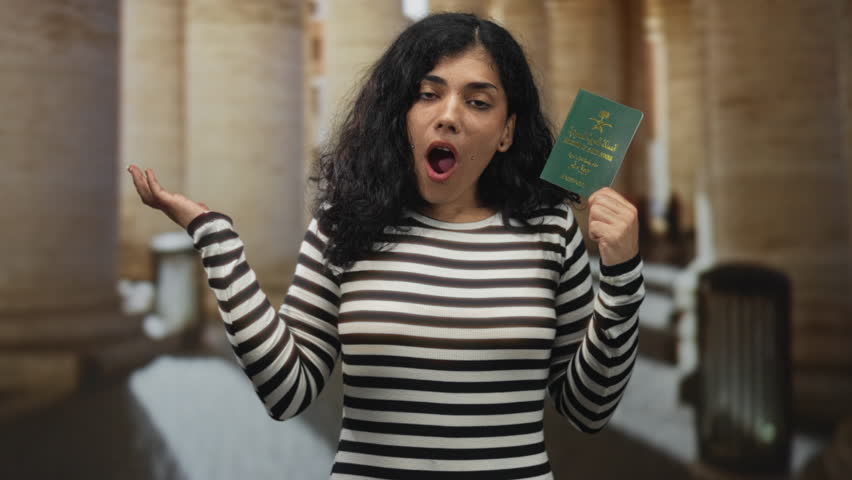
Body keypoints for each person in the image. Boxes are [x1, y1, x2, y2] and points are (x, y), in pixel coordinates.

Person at [128, 12, 644, 480]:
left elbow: (588, 408)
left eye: (478, 101)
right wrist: (215, 238)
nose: (448, 115)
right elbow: (286, 392)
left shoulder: (550, 230)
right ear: (400, 114)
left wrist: (621, 280)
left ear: (507, 131)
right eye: (427, 93)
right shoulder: (342, 227)